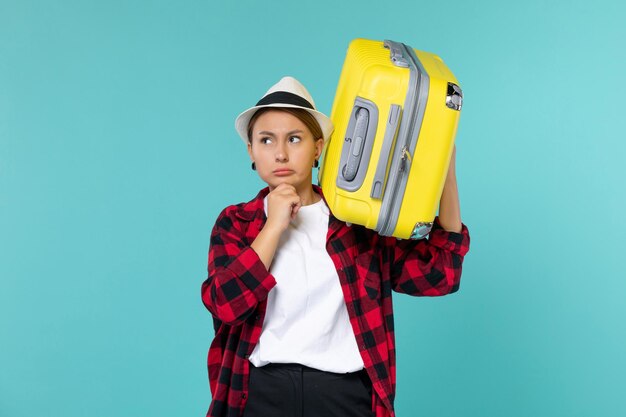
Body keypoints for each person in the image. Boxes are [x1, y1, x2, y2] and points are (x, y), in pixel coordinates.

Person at [201, 76, 470, 417]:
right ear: (251, 151)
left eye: (294, 139)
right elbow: (225, 305)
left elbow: (441, 274)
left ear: (317, 147)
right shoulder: (236, 224)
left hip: (343, 398)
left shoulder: (355, 223)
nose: (280, 153)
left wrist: (445, 174)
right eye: (266, 140)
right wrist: (274, 225)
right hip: (259, 395)